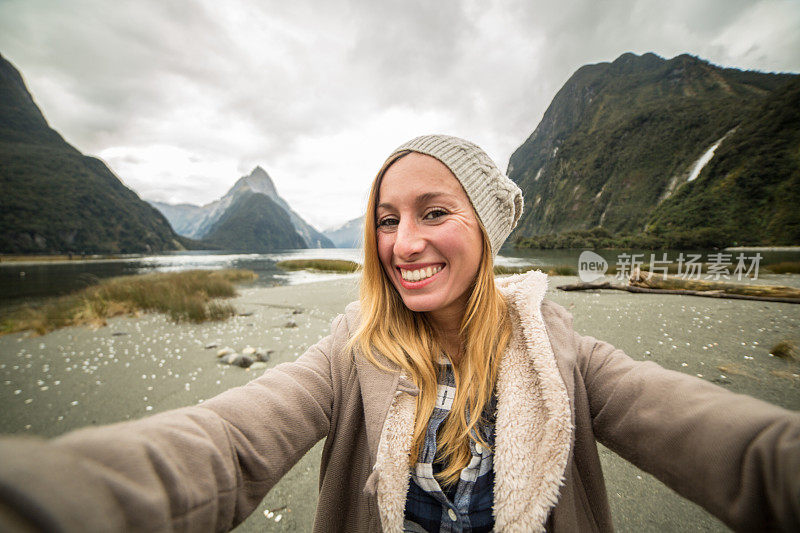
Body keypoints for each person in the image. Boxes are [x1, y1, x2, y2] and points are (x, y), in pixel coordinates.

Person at [0, 134, 798, 532]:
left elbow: (733, 447)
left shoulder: (564, 354)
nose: (404, 242)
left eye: (435, 213)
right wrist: (59, 496)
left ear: (486, 232)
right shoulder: (350, 350)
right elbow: (229, 442)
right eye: (387, 220)